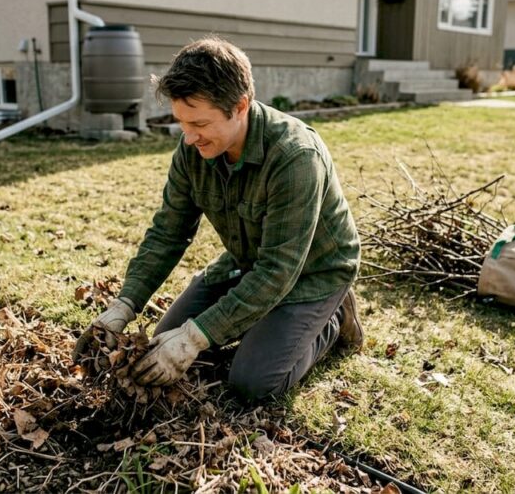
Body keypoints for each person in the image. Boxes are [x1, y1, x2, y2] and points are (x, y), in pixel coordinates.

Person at [72, 36, 362, 401]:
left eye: (200, 123)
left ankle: (333, 319)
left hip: (312, 271)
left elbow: (278, 271)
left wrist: (196, 336)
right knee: (164, 341)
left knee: (253, 382)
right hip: (248, 261)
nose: (189, 137)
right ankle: (260, 320)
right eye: (181, 123)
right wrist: (124, 305)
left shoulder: (295, 157)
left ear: (240, 106)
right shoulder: (193, 148)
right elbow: (168, 232)